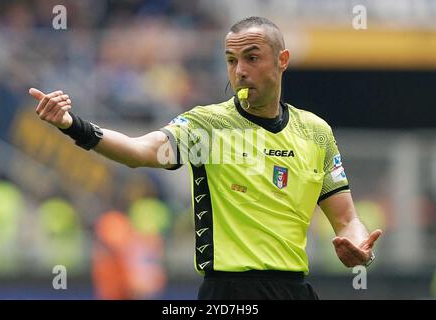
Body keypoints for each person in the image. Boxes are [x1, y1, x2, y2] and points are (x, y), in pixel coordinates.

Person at [29, 16, 382, 300]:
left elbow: (346, 218)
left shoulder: (315, 132)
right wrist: (73, 126)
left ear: (282, 61)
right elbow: (141, 152)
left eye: (252, 57)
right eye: (231, 60)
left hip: (294, 289)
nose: (240, 70)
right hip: (228, 292)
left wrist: (359, 244)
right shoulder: (207, 126)